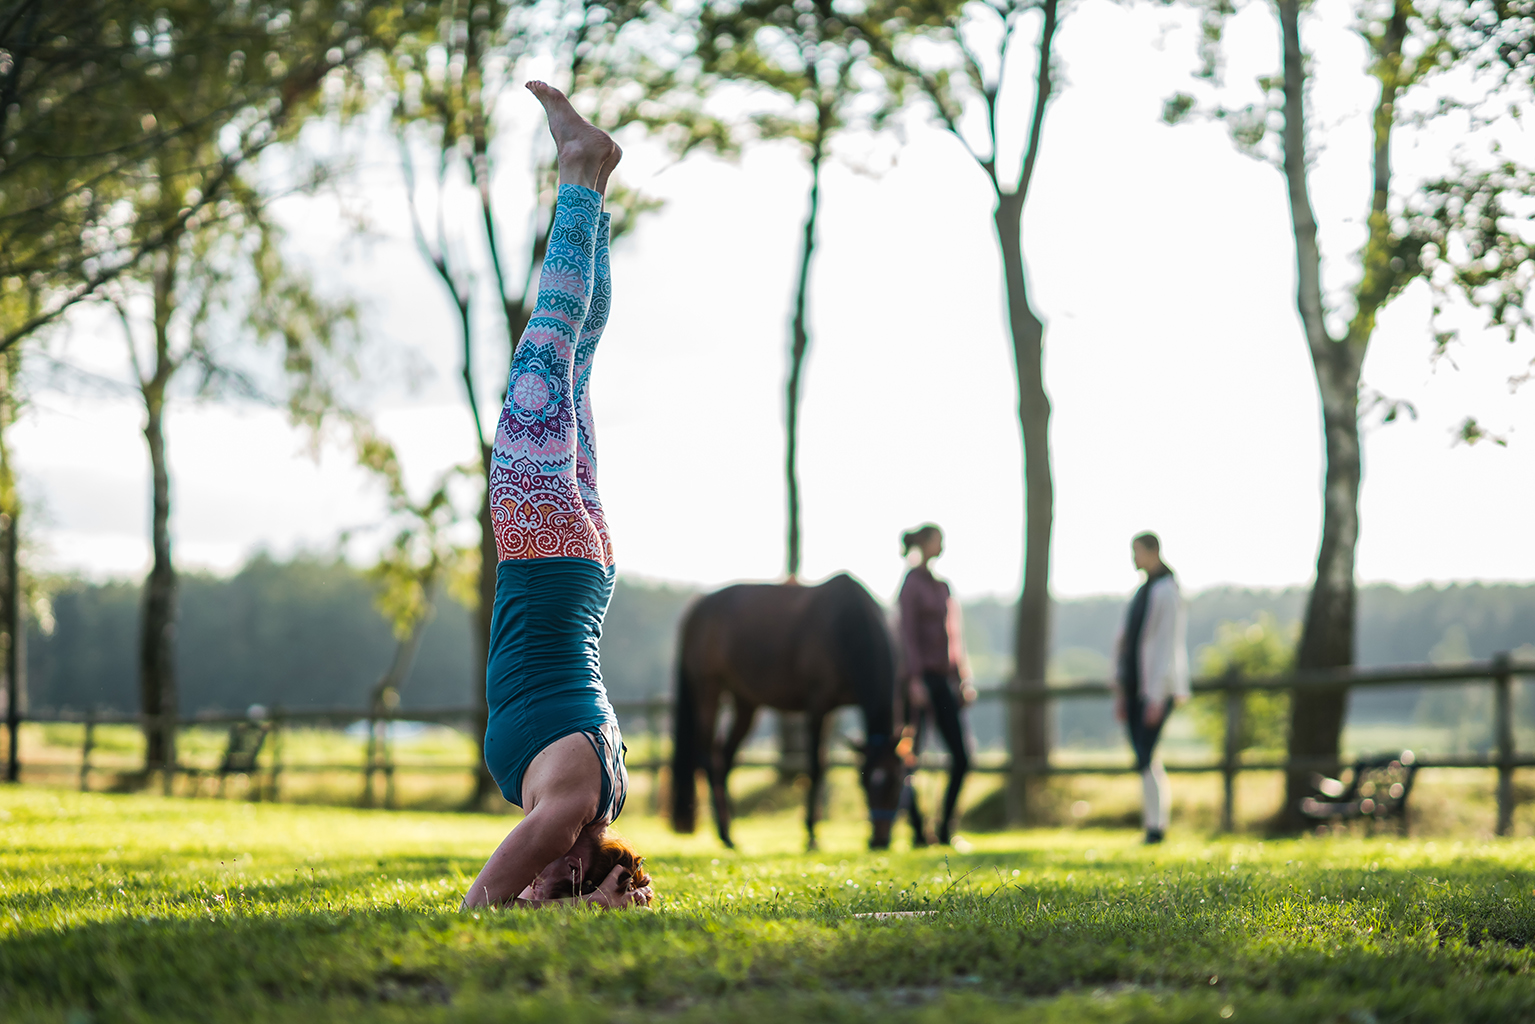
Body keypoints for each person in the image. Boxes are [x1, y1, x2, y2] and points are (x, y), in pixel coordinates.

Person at [461, 81, 651, 910]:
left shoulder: (600, 797)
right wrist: (552, 903)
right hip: (547, 558)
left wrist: (566, 905)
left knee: (572, 358)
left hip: (580, 572)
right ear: (579, 869)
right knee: (547, 345)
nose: (539, 882)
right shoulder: (566, 814)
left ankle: (593, 183)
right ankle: (579, 170)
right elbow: (480, 907)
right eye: (560, 883)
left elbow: (525, 898)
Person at [897, 523, 975, 846]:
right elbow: (907, 634)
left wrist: (962, 676)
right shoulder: (911, 586)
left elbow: (953, 634)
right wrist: (914, 679)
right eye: (937, 541)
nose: (941, 546)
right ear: (925, 543)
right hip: (920, 680)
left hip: (944, 681)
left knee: (962, 758)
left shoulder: (942, 586)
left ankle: (944, 829)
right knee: (908, 757)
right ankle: (917, 829)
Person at [1113, 531, 1190, 845]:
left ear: (1152, 551)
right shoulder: (1142, 591)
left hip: (1154, 690)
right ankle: (1153, 824)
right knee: (1145, 757)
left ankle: (1156, 827)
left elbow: (1165, 646)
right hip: (1135, 686)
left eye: (1137, 552)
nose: (1134, 558)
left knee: (1145, 755)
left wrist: (1157, 697)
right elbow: (1127, 641)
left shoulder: (1166, 592)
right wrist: (1121, 687)